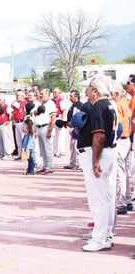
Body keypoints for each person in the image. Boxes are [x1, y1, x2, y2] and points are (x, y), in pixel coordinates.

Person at [79, 75, 117, 252]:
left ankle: (100, 238)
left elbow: (99, 135)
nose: (86, 91)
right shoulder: (110, 104)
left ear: (95, 90)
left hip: (99, 155)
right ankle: (106, 235)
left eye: (88, 88)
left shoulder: (99, 106)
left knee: (98, 198)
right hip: (108, 152)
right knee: (107, 197)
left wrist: (95, 160)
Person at [110, 81, 132, 215]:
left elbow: (117, 126)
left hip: (121, 139)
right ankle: (127, 200)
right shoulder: (125, 103)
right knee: (125, 172)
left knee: (120, 173)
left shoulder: (118, 104)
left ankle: (121, 202)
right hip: (127, 139)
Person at [35, 88, 57, 174]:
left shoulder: (51, 104)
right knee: (42, 149)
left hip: (46, 127)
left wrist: (50, 130)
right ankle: (45, 166)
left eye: (42, 94)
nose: (40, 95)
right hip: (40, 127)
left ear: (48, 94)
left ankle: (50, 167)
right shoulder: (41, 104)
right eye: (40, 93)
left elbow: (53, 118)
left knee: (48, 149)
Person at [63, 90, 84, 169]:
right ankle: (72, 163)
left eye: (71, 96)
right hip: (72, 128)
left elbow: (80, 118)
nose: (70, 98)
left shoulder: (81, 106)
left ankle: (79, 164)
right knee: (72, 146)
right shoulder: (72, 106)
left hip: (78, 129)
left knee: (77, 147)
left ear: (77, 97)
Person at [11, 90, 27, 160]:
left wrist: (25, 125)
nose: (17, 97)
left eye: (19, 95)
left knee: (24, 140)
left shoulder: (25, 103)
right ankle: (20, 155)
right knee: (18, 140)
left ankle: (25, 156)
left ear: (23, 96)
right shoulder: (16, 103)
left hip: (22, 122)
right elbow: (13, 111)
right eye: (17, 95)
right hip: (16, 122)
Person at [0, 95, 12, 160]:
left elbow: (12, 114)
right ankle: (2, 153)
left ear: (3, 100)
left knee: (5, 139)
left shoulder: (7, 107)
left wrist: (9, 121)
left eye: (0, 99)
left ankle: (7, 153)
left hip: (4, 125)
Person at [52, 87, 68, 157]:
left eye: (56, 92)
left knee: (61, 136)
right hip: (54, 119)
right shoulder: (52, 101)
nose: (54, 93)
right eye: (53, 92)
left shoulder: (61, 101)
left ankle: (62, 151)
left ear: (59, 93)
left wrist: (63, 121)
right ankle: (55, 151)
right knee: (55, 136)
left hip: (59, 118)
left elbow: (64, 111)